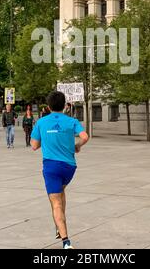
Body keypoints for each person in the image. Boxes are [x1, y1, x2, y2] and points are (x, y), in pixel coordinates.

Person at [31, 91, 89, 249]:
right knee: (61, 192)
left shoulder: (41, 122)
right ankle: (59, 226)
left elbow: (34, 146)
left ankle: (66, 242)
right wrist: (77, 146)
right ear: (64, 106)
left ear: (48, 107)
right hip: (69, 167)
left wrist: (47, 139)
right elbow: (85, 136)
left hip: (51, 167)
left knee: (55, 202)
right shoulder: (72, 121)